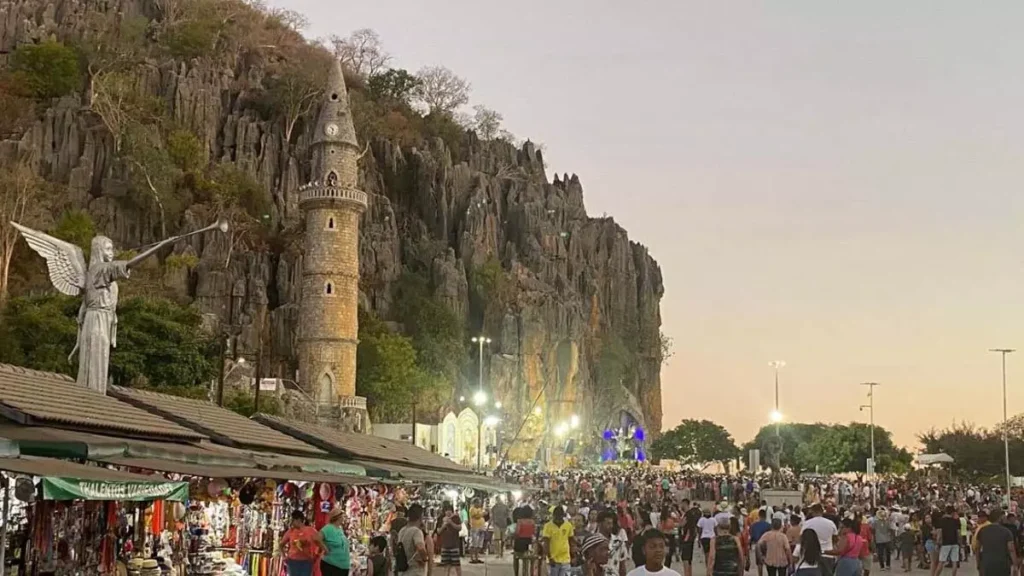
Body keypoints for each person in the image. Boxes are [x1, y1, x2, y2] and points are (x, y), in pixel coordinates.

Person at [975, 508, 1017, 576]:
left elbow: (977, 548)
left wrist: (978, 563)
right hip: (1002, 564)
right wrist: (1015, 565)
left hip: (986, 564)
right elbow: (1011, 549)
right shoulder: (1006, 532)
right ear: (1000, 518)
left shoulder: (982, 531)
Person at [281, 511, 325, 576]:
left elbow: (320, 543)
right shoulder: (290, 531)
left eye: (293, 520)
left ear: (298, 520)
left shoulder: (311, 531)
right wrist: (284, 557)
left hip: (306, 562)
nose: (291, 523)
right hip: (292, 562)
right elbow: (281, 545)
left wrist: (317, 556)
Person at [398, 503, 433, 576]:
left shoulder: (402, 530)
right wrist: (425, 558)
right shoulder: (416, 531)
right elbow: (420, 547)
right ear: (420, 517)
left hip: (403, 571)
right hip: (415, 571)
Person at [543, 506, 577, 576]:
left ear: (563, 516)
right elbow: (546, 543)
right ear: (553, 516)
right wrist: (549, 557)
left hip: (566, 559)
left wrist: (573, 556)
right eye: (556, 516)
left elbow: (571, 542)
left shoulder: (568, 525)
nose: (557, 519)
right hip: (553, 560)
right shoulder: (547, 526)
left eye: (559, 517)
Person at [320, 508, 352, 576]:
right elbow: (316, 538)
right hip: (332, 566)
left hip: (342, 567)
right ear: (338, 517)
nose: (343, 518)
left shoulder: (339, 529)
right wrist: (325, 549)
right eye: (342, 516)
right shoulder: (328, 528)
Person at [933, 506, 961, 576]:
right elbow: (958, 533)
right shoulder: (956, 521)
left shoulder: (942, 520)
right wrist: (960, 542)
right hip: (955, 542)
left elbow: (940, 532)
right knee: (954, 562)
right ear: (953, 513)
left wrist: (937, 542)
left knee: (941, 561)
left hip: (945, 543)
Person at [437, 503, 463, 576]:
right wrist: (443, 525)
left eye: (449, 510)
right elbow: (438, 531)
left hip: (454, 545)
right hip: (445, 545)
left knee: (457, 565)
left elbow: (459, 528)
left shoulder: (456, 518)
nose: (448, 512)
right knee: (446, 565)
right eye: (446, 510)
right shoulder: (441, 518)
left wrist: (451, 523)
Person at [513, 504, 537, 576]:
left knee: (516, 558)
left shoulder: (520, 521)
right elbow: (534, 533)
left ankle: (516, 573)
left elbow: (517, 532)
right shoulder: (532, 522)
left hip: (520, 543)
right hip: (529, 542)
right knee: (530, 560)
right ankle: (529, 573)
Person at [750, 510, 771, 576]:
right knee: (768, 560)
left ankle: (760, 575)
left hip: (758, 543)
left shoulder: (754, 525)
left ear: (759, 516)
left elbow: (752, 535)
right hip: (766, 544)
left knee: (759, 563)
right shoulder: (768, 525)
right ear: (765, 516)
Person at [469, 498, 486, 564]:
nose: (480, 504)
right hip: (475, 527)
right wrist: (482, 514)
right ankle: (472, 558)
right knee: (474, 543)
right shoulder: (472, 509)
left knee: (479, 544)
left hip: (481, 527)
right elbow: (476, 516)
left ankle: (477, 557)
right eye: (478, 502)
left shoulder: (480, 509)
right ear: (475, 503)